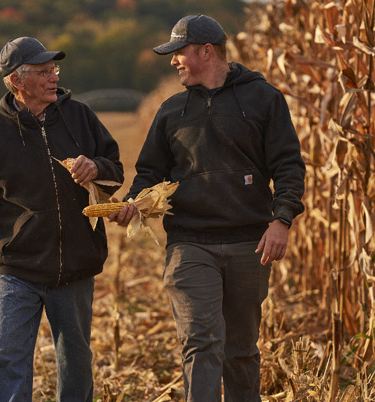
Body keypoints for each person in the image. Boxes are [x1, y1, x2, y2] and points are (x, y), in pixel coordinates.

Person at [111, 15, 305, 402]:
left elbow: (288, 166)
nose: (173, 61)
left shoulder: (264, 99)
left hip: (249, 244)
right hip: (189, 245)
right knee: (201, 341)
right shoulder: (170, 111)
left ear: (206, 51)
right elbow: (150, 171)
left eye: (179, 53)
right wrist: (136, 202)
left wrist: (282, 220)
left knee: (241, 350)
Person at [0, 37, 124, 402]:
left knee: (75, 363)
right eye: (43, 71)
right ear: (16, 82)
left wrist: (97, 166)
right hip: (18, 271)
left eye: (54, 69)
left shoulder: (80, 116)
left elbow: (115, 170)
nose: (53, 77)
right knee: (7, 360)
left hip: (75, 267)